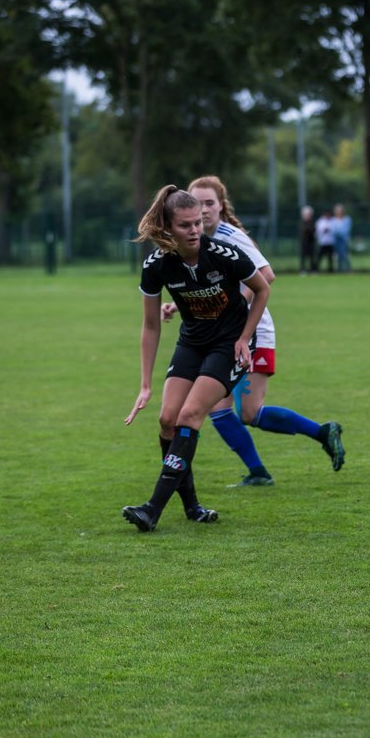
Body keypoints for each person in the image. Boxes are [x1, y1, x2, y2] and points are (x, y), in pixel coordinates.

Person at [122, 185, 270, 532]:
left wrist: (245, 338)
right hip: (192, 342)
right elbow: (150, 325)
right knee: (167, 419)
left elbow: (263, 288)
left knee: (190, 415)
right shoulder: (157, 265)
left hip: (229, 345)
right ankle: (193, 508)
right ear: (168, 228)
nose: (194, 231)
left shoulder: (225, 254)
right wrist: (145, 385)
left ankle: (152, 510)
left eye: (198, 224)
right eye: (185, 225)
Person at [184, 175, 345, 488]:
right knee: (218, 407)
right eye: (196, 203)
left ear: (220, 206)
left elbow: (266, 275)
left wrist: (233, 308)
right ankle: (258, 471)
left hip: (254, 331)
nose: (203, 210)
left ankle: (323, 432)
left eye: (209, 203)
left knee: (249, 413)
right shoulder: (196, 239)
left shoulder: (231, 236)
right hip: (228, 332)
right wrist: (176, 307)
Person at [314, 206, 334, 274]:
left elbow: (334, 230)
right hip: (322, 242)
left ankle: (330, 270)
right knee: (319, 256)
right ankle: (316, 269)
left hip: (330, 242)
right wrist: (323, 230)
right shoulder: (320, 221)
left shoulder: (332, 221)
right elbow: (317, 231)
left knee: (330, 257)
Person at [333, 203, 352, 272]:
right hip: (336, 240)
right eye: (337, 210)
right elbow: (333, 230)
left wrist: (339, 233)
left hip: (344, 240)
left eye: (340, 210)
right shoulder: (333, 220)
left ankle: (348, 269)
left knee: (345, 255)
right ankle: (339, 269)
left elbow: (346, 230)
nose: (339, 212)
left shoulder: (347, 219)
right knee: (337, 256)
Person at [298, 205, 315, 275]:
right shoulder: (302, 223)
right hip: (304, 242)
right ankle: (302, 270)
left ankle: (313, 270)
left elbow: (313, 232)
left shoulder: (312, 223)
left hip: (311, 242)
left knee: (312, 256)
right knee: (303, 257)